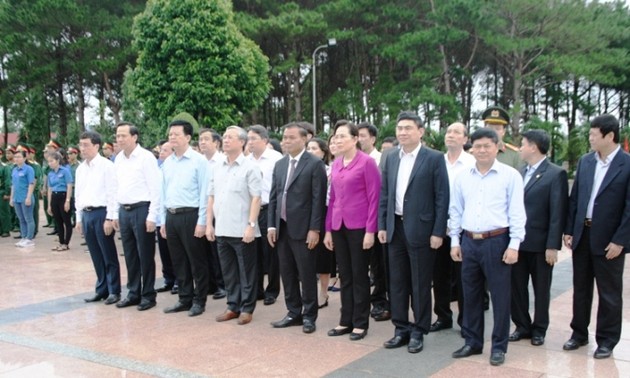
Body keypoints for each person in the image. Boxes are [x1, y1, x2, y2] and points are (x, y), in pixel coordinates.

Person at [449, 127, 526, 366]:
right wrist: (454, 240)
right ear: (471, 148)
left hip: (498, 241)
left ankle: (499, 346)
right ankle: (472, 341)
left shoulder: (510, 175)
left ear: (497, 147)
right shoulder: (463, 176)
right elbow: (456, 210)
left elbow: (517, 213)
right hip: (469, 241)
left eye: (487, 146)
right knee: (470, 295)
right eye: (477, 146)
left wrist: (514, 245)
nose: (481, 150)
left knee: (500, 296)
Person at [378, 111, 449, 354]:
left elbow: (442, 197)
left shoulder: (434, 158)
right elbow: (384, 194)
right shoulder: (389, 157)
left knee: (420, 282)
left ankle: (419, 329)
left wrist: (438, 231)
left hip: (422, 229)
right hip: (394, 227)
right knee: (396, 281)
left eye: (408, 128)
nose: (403, 132)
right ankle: (401, 328)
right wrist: (382, 225)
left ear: (420, 131)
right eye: (399, 128)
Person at [563, 114, 630, 359]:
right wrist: (569, 230)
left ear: (609, 136)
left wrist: (620, 241)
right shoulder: (586, 162)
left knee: (609, 293)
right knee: (580, 288)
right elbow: (576, 199)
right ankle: (578, 333)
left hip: (610, 240)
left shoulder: (626, 164)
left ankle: (607, 340)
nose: (590, 138)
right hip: (583, 234)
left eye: (593, 134)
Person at [506, 129, 568, 346]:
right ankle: (521, 325)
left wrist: (553, 245)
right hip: (517, 243)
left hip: (541, 245)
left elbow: (557, 212)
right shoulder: (518, 172)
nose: (520, 148)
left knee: (541, 288)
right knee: (517, 287)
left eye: (522, 143)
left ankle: (539, 329)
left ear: (533, 146)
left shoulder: (555, 173)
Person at [324, 121, 381, 341]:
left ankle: (360, 322)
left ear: (355, 139)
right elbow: (333, 199)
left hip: (360, 227)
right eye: (335, 136)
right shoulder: (337, 163)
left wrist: (370, 230)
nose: (337, 140)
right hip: (339, 226)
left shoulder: (366, 163)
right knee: (344, 275)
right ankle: (344, 320)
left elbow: (374, 197)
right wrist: (328, 230)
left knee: (359, 275)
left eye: (342, 136)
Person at [268, 123, 327, 334]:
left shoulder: (314, 164)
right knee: (287, 272)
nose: (286, 141)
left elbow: (318, 199)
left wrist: (315, 229)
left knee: (307, 273)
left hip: (304, 229)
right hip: (282, 228)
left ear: (304, 139)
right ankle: (293, 312)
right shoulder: (280, 164)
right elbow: (274, 196)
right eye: (284, 137)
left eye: (291, 137)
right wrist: (271, 225)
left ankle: (309, 316)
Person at [207, 126, 262, 325]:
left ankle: (247, 308)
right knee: (228, 271)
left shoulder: (250, 167)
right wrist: (209, 224)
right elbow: (211, 197)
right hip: (221, 227)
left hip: (243, 230)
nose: (226, 140)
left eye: (230, 137)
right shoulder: (217, 166)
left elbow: (256, 197)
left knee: (247, 272)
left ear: (242, 142)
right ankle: (233, 306)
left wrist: (251, 225)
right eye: (224, 137)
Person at [160, 117, 210, 317]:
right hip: (172, 216)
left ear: (188, 137)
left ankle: (200, 300)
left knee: (197, 260)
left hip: (191, 215)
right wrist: (163, 220)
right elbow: (164, 192)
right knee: (178, 260)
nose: (172, 137)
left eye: (176, 134)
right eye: (170, 134)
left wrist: (202, 221)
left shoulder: (199, 161)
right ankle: (184, 297)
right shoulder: (168, 162)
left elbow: (205, 193)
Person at [431, 122, 475, 333]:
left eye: (456, 132)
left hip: (464, 227)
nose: (451, 135)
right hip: (439, 226)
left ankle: (466, 320)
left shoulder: (472, 163)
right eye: (448, 131)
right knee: (439, 275)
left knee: (463, 275)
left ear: (465, 139)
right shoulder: (436, 161)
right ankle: (442, 316)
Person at [112, 122, 161, 311]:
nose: (120, 139)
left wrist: (152, 216)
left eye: (123, 135)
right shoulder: (118, 159)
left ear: (134, 137)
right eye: (117, 136)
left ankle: (148, 295)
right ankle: (133, 292)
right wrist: (116, 213)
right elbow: (117, 187)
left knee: (145, 254)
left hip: (142, 209)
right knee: (130, 254)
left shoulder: (146, 157)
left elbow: (155, 188)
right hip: (124, 210)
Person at [75, 131, 121, 305]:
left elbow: (112, 192)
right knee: (95, 254)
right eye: (81, 145)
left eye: (86, 145)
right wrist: (78, 217)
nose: (82, 148)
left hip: (102, 213)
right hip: (86, 214)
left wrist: (110, 218)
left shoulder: (106, 166)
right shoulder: (80, 169)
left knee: (108, 253)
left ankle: (114, 290)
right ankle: (101, 289)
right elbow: (78, 195)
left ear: (96, 146)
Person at [247, 125, 283, 306]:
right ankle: (257, 289)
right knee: (253, 252)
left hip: (270, 209)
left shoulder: (276, 159)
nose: (250, 142)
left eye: (253, 138)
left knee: (271, 252)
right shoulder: (246, 160)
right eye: (248, 138)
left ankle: (272, 290)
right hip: (252, 210)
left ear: (265, 140)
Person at [198, 128, 227, 300]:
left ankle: (222, 284)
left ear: (216, 143)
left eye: (206, 139)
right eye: (200, 139)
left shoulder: (223, 161)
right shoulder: (199, 162)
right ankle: (210, 284)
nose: (202, 142)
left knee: (218, 251)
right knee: (204, 251)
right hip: (203, 211)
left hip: (220, 211)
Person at [306, 138, 335, 308]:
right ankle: (309, 294)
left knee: (323, 256)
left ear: (323, 152)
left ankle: (323, 293)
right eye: (308, 148)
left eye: (314, 148)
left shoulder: (330, 171)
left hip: (324, 214)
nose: (310, 151)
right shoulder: (301, 169)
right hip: (305, 215)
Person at [154, 141, 177, 294]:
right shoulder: (158, 168)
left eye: (165, 150)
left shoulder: (174, 168)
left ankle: (178, 281)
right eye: (161, 150)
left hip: (173, 215)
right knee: (163, 250)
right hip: (159, 216)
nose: (161, 153)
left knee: (175, 251)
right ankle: (168, 279)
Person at [46, 151, 74, 251]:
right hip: (54, 197)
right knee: (58, 222)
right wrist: (49, 205)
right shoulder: (50, 174)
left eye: (52, 161)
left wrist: (67, 200)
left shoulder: (65, 171)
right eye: (48, 161)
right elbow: (49, 189)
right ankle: (61, 242)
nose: (50, 163)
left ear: (58, 160)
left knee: (66, 221)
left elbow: (69, 185)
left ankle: (66, 243)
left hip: (63, 196)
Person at [10, 150, 36, 247]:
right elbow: (13, 185)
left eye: (19, 157)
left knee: (28, 218)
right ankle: (24, 237)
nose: (16, 159)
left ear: (24, 158)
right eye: (15, 157)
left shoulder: (29, 169)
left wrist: (28, 197)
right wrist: (11, 198)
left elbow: (31, 183)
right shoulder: (14, 170)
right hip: (17, 198)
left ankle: (29, 238)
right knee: (21, 219)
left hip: (26, 197)